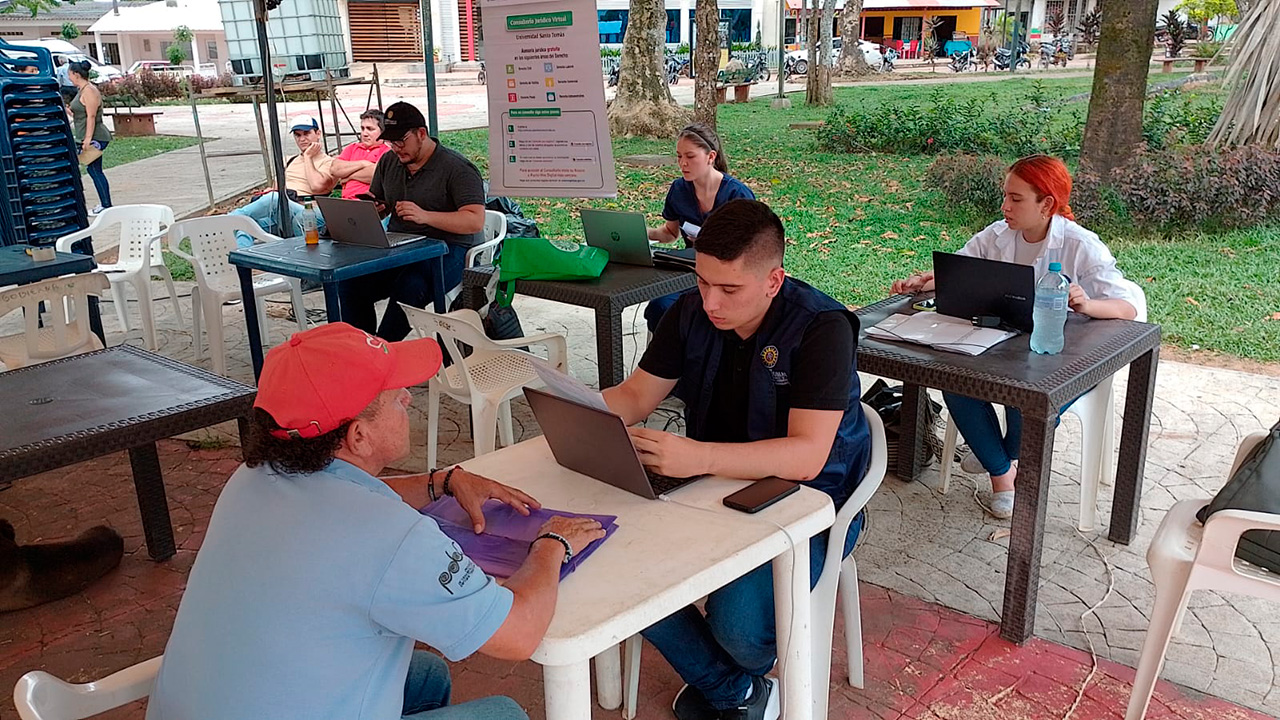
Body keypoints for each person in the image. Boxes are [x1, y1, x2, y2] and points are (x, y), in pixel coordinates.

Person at [145, 322, 606, 720]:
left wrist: (442, 481)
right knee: (504, 714)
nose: (409, 396)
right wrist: (551, 544)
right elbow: (521, 635)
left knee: (425, 675)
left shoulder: (252, 478)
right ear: (359, 436)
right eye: (394, 396)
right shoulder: (392, 537)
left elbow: (346, 499)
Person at [601, 199, 872, 720]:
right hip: (709, 487)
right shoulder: (689, 311)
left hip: (812, 501)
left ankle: (732, 676)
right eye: (703, 282)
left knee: (742, 633)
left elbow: (808, 457)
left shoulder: (822, 328)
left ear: (773, 281)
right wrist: (575, 408)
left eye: (729, 289)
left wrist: (696, 456)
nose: (710, 302)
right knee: (611, 562)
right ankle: (737, 691)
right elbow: (635, 397)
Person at [890, 154, 1142, 519]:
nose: (1005, 206)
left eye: (1016, 199)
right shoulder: (996, 236)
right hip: (1006, 348)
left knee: (1027, 401)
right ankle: (1003, 474)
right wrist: (925, 281)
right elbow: (962, 270)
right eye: (1005, 196)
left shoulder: (1079, 245)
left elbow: (1128, 305)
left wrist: (1087, 304)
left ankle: (994, 454)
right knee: (953, 381)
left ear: (1048, 204)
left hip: (1064, 358)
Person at [343, 101, 487, 341]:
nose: (397, 148)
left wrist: (425, 215)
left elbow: (474, 221)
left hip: (449, 248)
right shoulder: (389, 162)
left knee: (410, 287)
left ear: (421, 134)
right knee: (351, 281)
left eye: (402, 141)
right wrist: (373, 209)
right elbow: (382, 204)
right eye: (391, 142)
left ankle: (384, 349)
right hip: (402, 246)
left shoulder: (457, 168)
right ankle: (363, 348)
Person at [643, 123, 755, 333]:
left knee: (700, 314)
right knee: (660, 307)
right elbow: (670, 233)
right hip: (690, 271)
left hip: (728, 277)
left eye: (690, 156)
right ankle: (666, 361)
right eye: (678, 157)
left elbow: (749, 250)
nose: (683, 163)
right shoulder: (678, 189)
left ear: (711, 157)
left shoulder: (736, 195)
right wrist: (642, 231)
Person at [229, 114, 337, 246]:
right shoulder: (289, 160)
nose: (302, 139)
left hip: (307, 209)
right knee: (246, 228)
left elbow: (317, 187)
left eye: (307, 133)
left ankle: (228, 219)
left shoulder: (329, 162)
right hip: (281, 210)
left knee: (274, 198)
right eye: (298, 135)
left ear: (318, 133)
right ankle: (239, 264)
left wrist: (308, 157)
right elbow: (276, 188)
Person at [67, 60, 112, 215]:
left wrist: (88, 138)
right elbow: (80, 114)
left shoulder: (89, 91)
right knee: (93, 170)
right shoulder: (81, 90)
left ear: (76, 74)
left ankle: (106, 205)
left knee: (94, 170)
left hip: (96, 136)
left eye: (69, 73)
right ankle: (105, 204)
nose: (68, 77)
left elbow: (91, 116)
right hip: (85, 135)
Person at [331, 108, 391, 200]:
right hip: (345, 202)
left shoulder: (387, 152)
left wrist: (348, 177)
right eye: (362, 128)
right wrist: (363, 163)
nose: (364, 133)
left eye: (370, 129)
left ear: (382, 131)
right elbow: (335, 169)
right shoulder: (351, 148)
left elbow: (376, 175)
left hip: (371, 204)